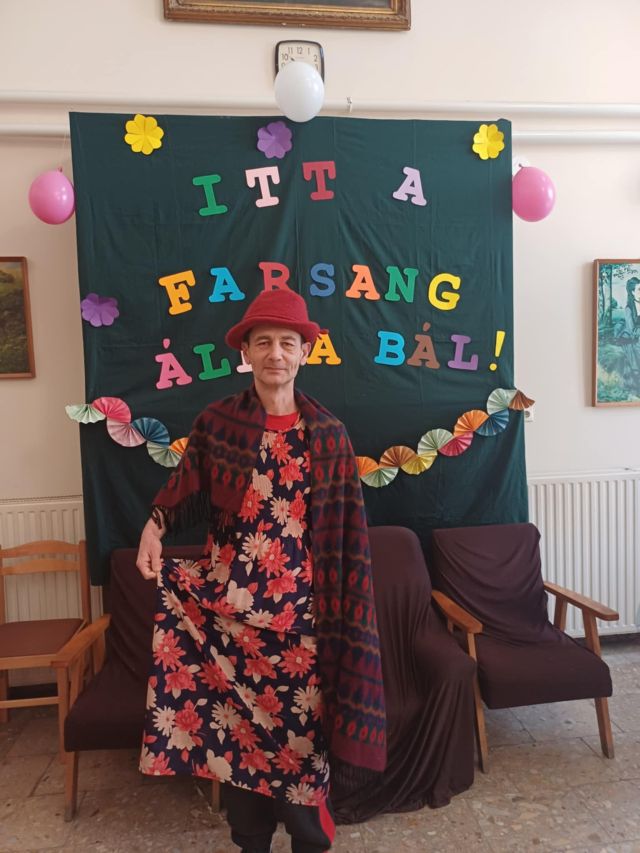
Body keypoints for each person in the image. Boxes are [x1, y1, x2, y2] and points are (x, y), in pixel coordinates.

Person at [136, 288, 386, 853]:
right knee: (241, 762)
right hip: (228, 628)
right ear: (246, 352)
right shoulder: (218, 423)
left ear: (304, 353)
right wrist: (153, 527)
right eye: (264, 342)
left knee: (303, 770)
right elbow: (182, 488)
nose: (276, 353)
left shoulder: (329, 435)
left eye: (288, 343)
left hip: (302, 635)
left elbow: (349, 542)